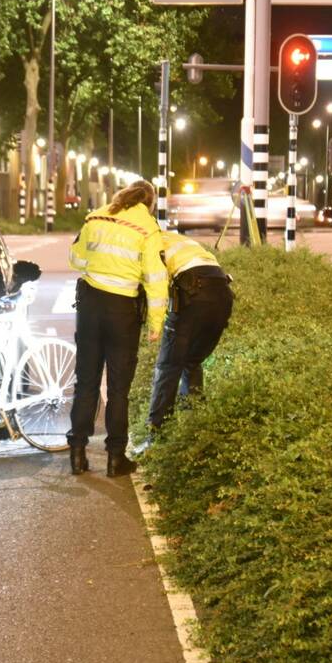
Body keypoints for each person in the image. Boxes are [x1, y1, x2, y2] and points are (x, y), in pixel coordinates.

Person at [66, 181, 168, 477]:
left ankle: (77, 454)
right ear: (148, 203)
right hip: (123, 311)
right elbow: (155, 277)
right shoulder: (147, 228)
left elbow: (75, 259)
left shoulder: (95, 217)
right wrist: (156, 322)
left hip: (90, 305)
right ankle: (115, 459)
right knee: (118, 389)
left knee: (85, 382)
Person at [147, 232, 234, 431]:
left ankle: (158, 434)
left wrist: (154, 323)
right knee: (191, 361)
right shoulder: (176, 238)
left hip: (193, 292)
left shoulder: (148, 244)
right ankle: (193, 427)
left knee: (169, 366)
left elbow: (156, 287)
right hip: (223, 294)